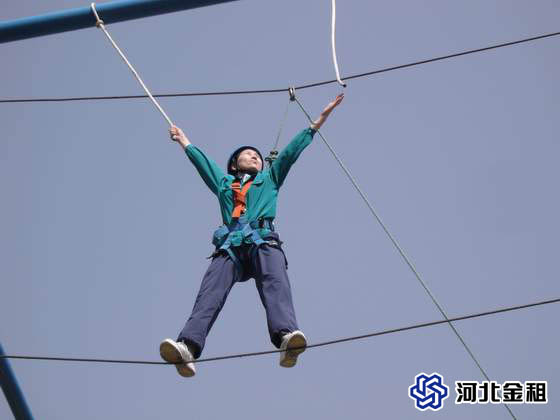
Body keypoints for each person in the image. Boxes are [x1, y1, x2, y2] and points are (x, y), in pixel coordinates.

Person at [160, 94, 344, 377]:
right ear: (234, 164)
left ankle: (286, 338)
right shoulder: (224, 184)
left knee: (275, 281)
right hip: (231, 247)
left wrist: (320, 118)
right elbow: (203, 164)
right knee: (210, 293)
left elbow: (292, 151)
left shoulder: (270, 178)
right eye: (248, 154)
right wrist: (183, 140)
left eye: (257, 155)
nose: (255, 156)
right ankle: (188, 347)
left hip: (262, 241)